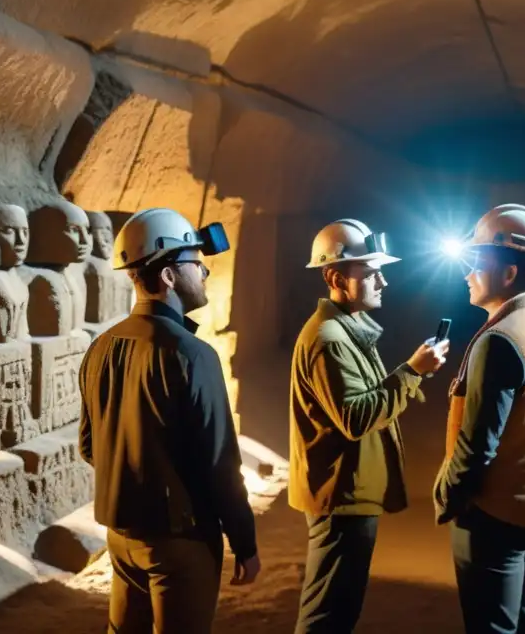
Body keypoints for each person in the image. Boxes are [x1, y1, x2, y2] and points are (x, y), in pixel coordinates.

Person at [77, 207, 260, 634]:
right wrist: (244, 543)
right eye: (197, 263)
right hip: (181, 540)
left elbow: (90, 445)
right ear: (168, 276)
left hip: (121, 537)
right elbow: (220, 466)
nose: (205, 273)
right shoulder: (192, 355)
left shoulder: (101, 347)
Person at [289, 218, 450, 634]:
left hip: (350, 490)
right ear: (336, 277)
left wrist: (413, 370)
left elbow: (364, 398)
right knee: (326, 614)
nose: (383, 281)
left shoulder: (346, 330)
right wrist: (412, 372)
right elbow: (356, 417)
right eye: (371, 272)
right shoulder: (330, 339)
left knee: (338, 610)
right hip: (341, 494)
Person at [434, 204, 525, 634]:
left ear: (510, 273)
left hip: (494, 513)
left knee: (492, 627)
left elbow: (477, 445)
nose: (468, 274)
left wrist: (448, 493)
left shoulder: (499, 340)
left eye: (478, 262)